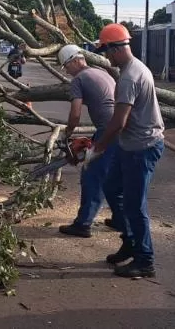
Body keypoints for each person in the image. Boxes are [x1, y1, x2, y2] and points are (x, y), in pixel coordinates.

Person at [86, 23, 165, 279]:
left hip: (142, 148)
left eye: (107, 51)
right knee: (111, 187)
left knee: (134, 205)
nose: (106, 56)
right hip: (129, 144)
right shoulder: (131, 70)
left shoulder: (130, 76)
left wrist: (98, 147)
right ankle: (130, 241)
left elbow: (118, 122)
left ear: (117, 48)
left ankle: (145, 260)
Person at [55, 44, 121, 238]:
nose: (67, 72)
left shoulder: (79, 79)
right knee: (112, 176)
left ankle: (83, 224)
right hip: (121, 127)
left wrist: (67, 134)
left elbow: (75, 115)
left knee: (92, 175)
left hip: (107, 130)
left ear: (75, 61)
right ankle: (121, 218)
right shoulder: (99, 72)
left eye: (67, 67)